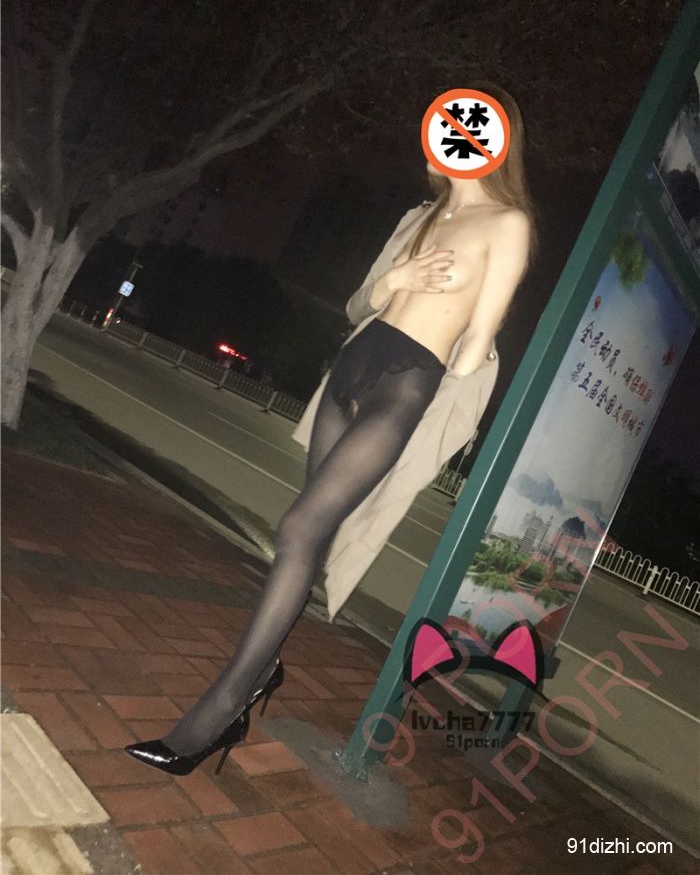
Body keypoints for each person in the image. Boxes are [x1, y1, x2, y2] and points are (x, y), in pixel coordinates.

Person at [124, 81, 537, 776]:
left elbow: (478, 339)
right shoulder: (418, 217)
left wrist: (448, 389)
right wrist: (395, 281)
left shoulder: (508, 222)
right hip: (352, 369)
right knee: (306, 541)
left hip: (406, 383)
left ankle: (215, 714)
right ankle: (261, 673)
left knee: (296, 530)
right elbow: (356, 306)